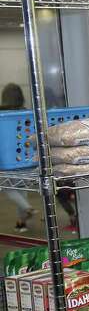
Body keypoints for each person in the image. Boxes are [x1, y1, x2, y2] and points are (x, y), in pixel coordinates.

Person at [0, 83, 36, 232]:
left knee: (8, 188)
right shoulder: (26, 114)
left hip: (6, 160)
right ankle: (21, 223)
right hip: (24, 159)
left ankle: (28, 208)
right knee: (21, 190)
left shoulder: (1, 114)